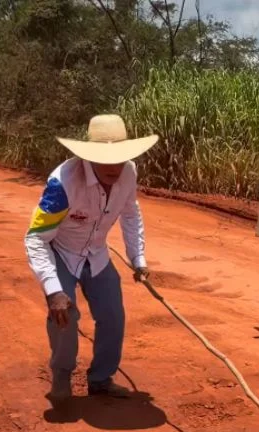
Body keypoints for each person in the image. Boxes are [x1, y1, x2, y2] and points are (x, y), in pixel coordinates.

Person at [24, 114, 159, 402]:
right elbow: (36, 239)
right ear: (89, 157)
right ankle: (61, 377)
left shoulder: (129, 173)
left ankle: (101, 379)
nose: (114, 167)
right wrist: (53, 289)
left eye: (119, 158)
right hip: (59, 250)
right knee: (64, 315)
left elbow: (131, 213)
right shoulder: (62, 184)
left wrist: (139, 259)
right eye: (105, 159)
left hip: (96, 253)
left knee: (113, 316)